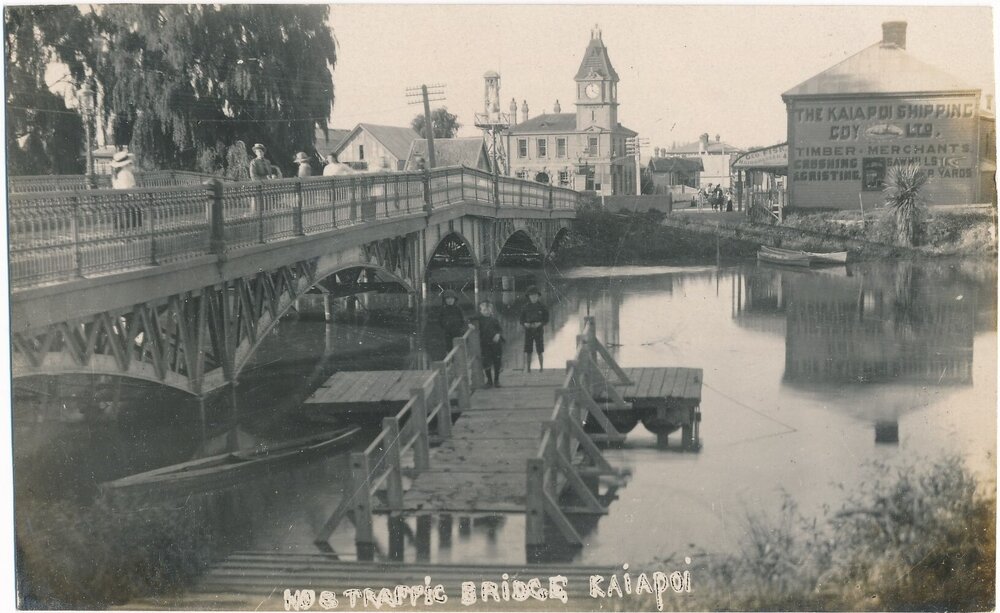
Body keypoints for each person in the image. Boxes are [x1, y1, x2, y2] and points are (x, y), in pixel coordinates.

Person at [520, 286, 549, 372]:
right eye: (531, 296)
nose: (533, 297)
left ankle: (541, 368)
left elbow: (546, 319)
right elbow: (521, 320)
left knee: (540, 349)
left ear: (538, 296)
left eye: (535, 296)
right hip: (528, 331)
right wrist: (525, 324)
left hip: (538, 330)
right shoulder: (525, 307)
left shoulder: (542, 307)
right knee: (528, 350)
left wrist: (540, 323)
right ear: (529, 297)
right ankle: (528, 368)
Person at [477, 301, 503, 387]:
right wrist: (470, 324)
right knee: (486, 362)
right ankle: (489, 381)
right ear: (481, 311)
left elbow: (500, 329)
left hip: (496, 344)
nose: (486, 312)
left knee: (497, 362)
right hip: (485, 344)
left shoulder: (494, 320)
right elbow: (469, 319)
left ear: (491, 310)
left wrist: (498, 334)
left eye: (488, 310)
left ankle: (497, 380)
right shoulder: (480, 319)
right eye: (484, 310)